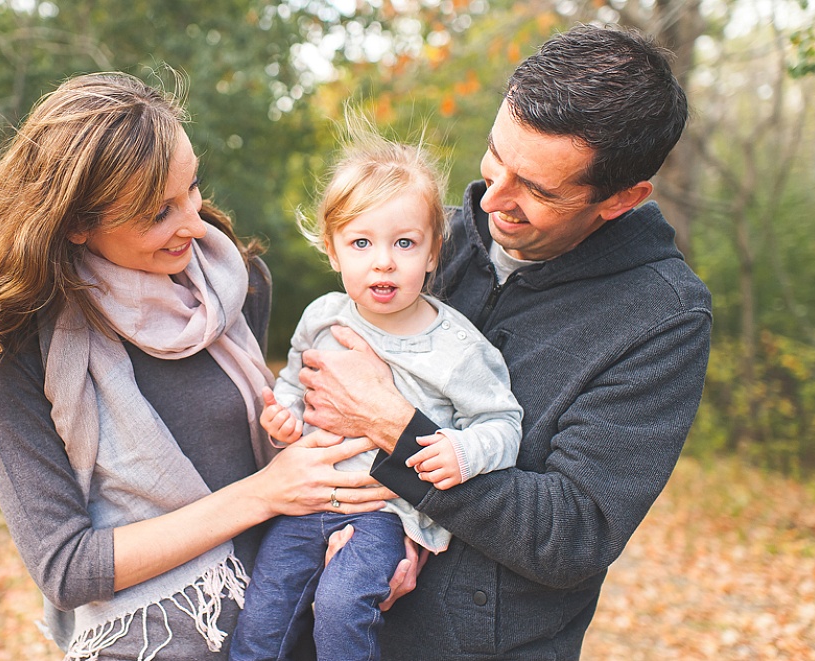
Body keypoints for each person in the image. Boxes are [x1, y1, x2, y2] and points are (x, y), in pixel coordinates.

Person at [0, 72, 399, 660]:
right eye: (159, 211)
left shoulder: (236, 286)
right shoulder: (11, 345)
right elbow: (65, 566)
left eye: (193, 188)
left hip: (284, 618)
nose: (193, 222)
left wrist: (379, 534)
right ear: (78, 223)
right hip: (150, 643)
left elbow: (298, 450)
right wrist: (263, 494)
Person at [294, 25, 713, 659]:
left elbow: (573, 534)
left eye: (539, 190)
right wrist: (357, 518)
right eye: (496, 157)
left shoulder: (663, 317)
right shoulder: (427, 246)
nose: (493, 199)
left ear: (621, 200)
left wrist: (395, 429)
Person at [229, 121, 523, 661]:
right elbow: (295, 382)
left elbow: (503, 424)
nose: (383, 260)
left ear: (433, 253)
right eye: (361, 242)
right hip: (306, 501)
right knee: (262, 619)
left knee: (343, 610)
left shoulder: (458, 347)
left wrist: (460, 452)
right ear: (334, 252)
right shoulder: (322, 317)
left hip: (385, 513)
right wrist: (285, 415)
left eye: (404, 243)